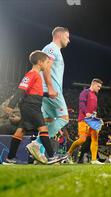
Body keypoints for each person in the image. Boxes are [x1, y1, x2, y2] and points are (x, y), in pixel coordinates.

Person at [2, 51, 68, 165]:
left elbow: (36, 93)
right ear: (40, 62)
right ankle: (52, 156)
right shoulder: (32, 74)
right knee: (43, 129)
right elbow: (21, 89)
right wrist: (10, 105)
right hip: (31, 106)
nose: (48, 65)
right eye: (47, 62)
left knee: (20, 132)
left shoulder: (36, 75)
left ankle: (9, 158)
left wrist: (49, 95)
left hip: (32, 105)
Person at [27, 27, 71, 160]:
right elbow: (46, 68)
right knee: (64, 118)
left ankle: (38, 155)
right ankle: (36, 144)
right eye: (67, 36)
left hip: (46, 90)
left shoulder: (55, 50)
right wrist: (51, 88)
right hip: (50, 90)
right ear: (59, 35)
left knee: (49, 121)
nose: (68, 40)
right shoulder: (51, 48)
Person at [66, 79, 104, 165]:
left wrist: (95, 117)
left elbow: (93, 109)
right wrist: (86, 113)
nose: (99, 88)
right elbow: (81, 104)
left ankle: (94, 160)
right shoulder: (85, 92)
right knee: (82, 140)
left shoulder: (95, 96)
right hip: (84, 119)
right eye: (98, 86)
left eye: (100, 87)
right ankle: (68, 154)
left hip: (92, 120)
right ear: (93, 85)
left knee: (95, 139)